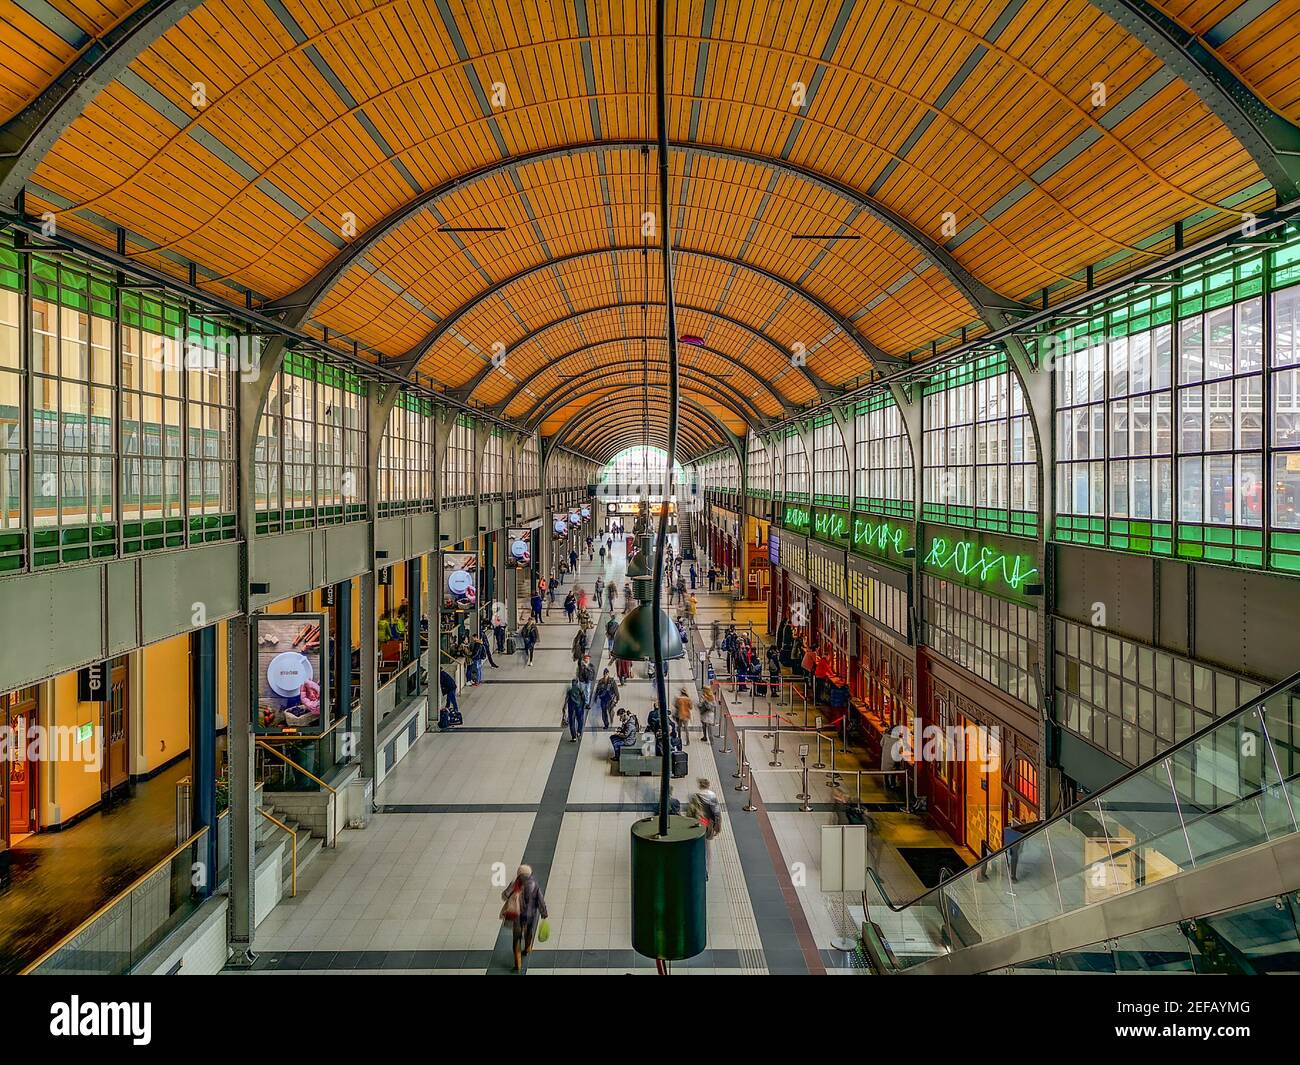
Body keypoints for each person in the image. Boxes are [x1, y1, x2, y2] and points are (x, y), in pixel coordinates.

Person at [500, 864, 548, 973]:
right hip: (530, 915)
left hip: (517, 916)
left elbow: (504, 896)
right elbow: (540, 900)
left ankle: (518, 963)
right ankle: (527, 948)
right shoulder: (534, 884)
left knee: (516, 939)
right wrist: (544, 913)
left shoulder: (514, 884)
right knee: (529, 931)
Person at [686, 779, 723, 880]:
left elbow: (690, 813)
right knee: (706, 849)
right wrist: (718, 826)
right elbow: (717, 813)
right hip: (707, 825)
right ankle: (705, 871)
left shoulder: (695, 796)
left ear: (700, 785)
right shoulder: (712, 796)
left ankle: (694, 868)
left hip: (697, 824)